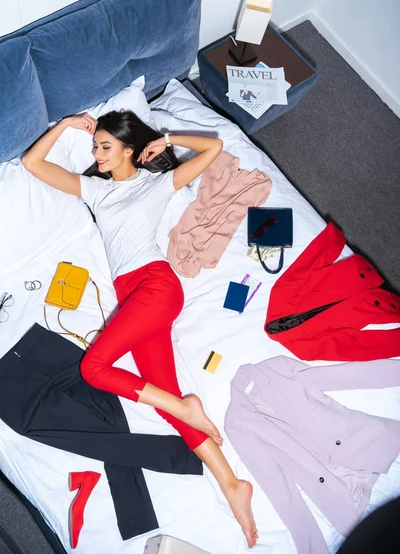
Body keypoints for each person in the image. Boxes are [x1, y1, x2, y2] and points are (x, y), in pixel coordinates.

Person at [22, 110, 258, 548]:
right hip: (134, 296)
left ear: (130, 149)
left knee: (95, 368)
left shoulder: (154, 183)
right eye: (96, 148)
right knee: (163, 391)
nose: (97, 154)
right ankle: (231, 483)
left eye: (106, 146)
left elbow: (215, 147)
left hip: (156, 285)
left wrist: (166, 138)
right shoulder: (94, 189)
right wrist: (65, 125)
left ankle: (186, 411)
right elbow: (32, 165)